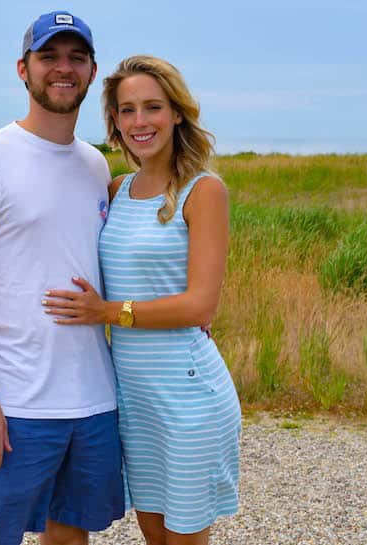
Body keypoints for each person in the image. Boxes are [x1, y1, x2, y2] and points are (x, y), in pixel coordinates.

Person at [0, 12, 123, 545]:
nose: (63, 68)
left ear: (92, 70)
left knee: (71, 533)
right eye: (49, 57)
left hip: (93, 398)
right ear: (23, 69)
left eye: (75, 58)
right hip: (16, 405)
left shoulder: (95, 166)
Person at [44, 55, 240, 545]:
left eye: (152, 107)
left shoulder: (204, 191)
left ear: (176, 113)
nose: (139, 121)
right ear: (114, 121)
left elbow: (200, 306)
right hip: (132, 395)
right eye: (126, 110)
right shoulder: (117, 188)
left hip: (188, 392)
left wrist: (107, 313)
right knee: (154, 536)